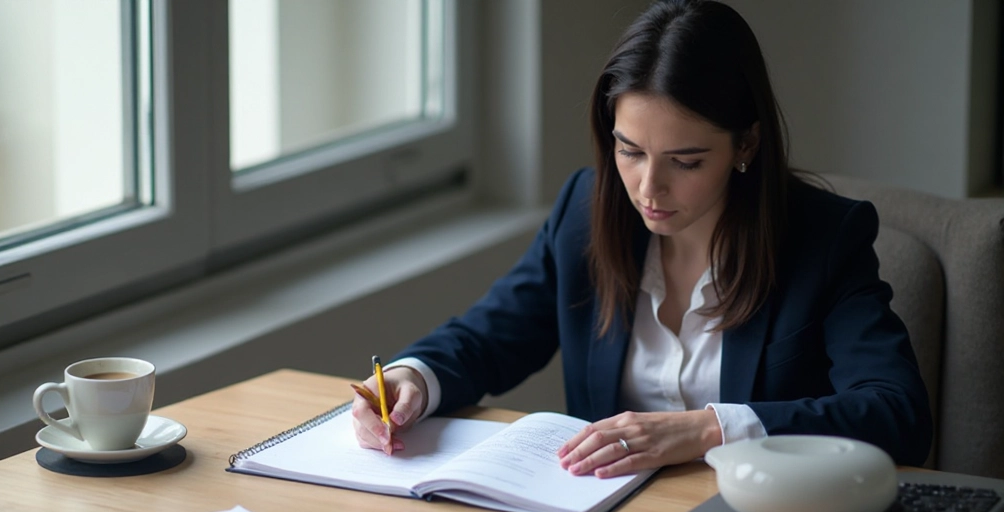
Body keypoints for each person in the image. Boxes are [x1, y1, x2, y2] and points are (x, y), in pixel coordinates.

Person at [351, 0, 933, 477]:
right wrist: (412, 379)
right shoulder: (585, 209)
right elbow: (488, 337)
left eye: (685, 161)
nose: (647, 187)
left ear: (747, 146)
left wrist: (709, 429)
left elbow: (897, 413)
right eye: (629, 151)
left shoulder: (824, 238)